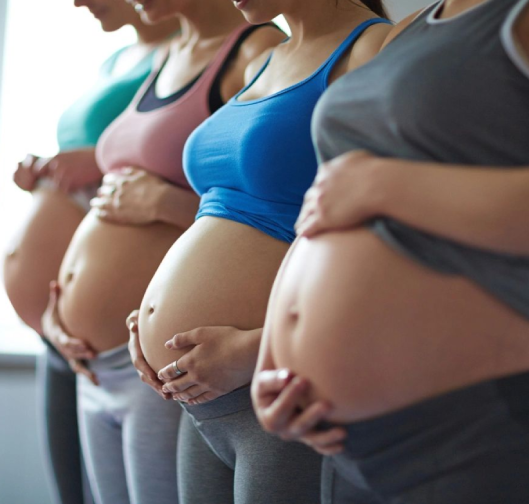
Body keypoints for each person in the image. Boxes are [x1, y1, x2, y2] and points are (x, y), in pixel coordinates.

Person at [252, 0, 529, 503]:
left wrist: (381, 184)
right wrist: (271, 362)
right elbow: (325, 208)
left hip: (481, 425)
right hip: (343, 438)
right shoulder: (403, 34)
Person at [128, 0, 391, 502]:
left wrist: (257, 349)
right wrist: (149, 315)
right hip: (200, 400)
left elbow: (388, 247)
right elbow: (216, 217)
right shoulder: (261, 61)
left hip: (280, 387)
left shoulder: (374, 50)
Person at [42, 0, 283, 502]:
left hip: (173, 363)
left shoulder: (257, 48)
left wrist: (164, 202)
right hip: (102, 356)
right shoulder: (163, 56)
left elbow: (263, 200)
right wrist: (59, 310)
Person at [3, 2, 178, 503]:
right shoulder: (117, 58)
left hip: (122, 339)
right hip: (60, 327)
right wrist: (44, 170)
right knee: (71, 491)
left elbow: (158, 165)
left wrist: (98, 161)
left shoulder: (192, 56)